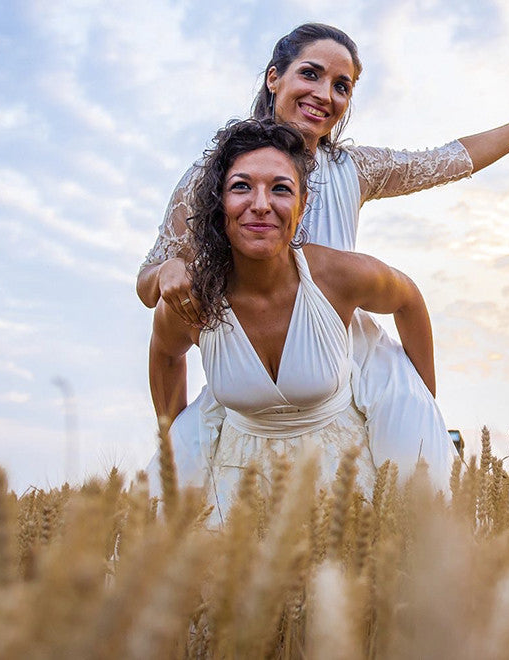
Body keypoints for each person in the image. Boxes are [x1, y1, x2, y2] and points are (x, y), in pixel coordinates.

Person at [139, 23, 509, 491]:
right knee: (174, 496)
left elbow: (450, 159)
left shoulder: (354, 168)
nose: (324, 94)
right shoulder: (218, 173)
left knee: (418, 488)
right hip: (251, 349)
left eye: (341, 86)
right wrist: (171, 268)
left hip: (345, 346)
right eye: (311, 74)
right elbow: (149, 283)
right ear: (273, 78)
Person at [149, 119, 431, 520]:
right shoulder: (195, 298)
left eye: (280, 189)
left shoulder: (338, 276)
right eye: (241, 186)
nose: (261, 204)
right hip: (236, 494)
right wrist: (178, 441)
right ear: (219, 205)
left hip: (344, 492)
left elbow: (409, 300)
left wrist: (422, 405)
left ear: (300, 207)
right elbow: (164, 354)